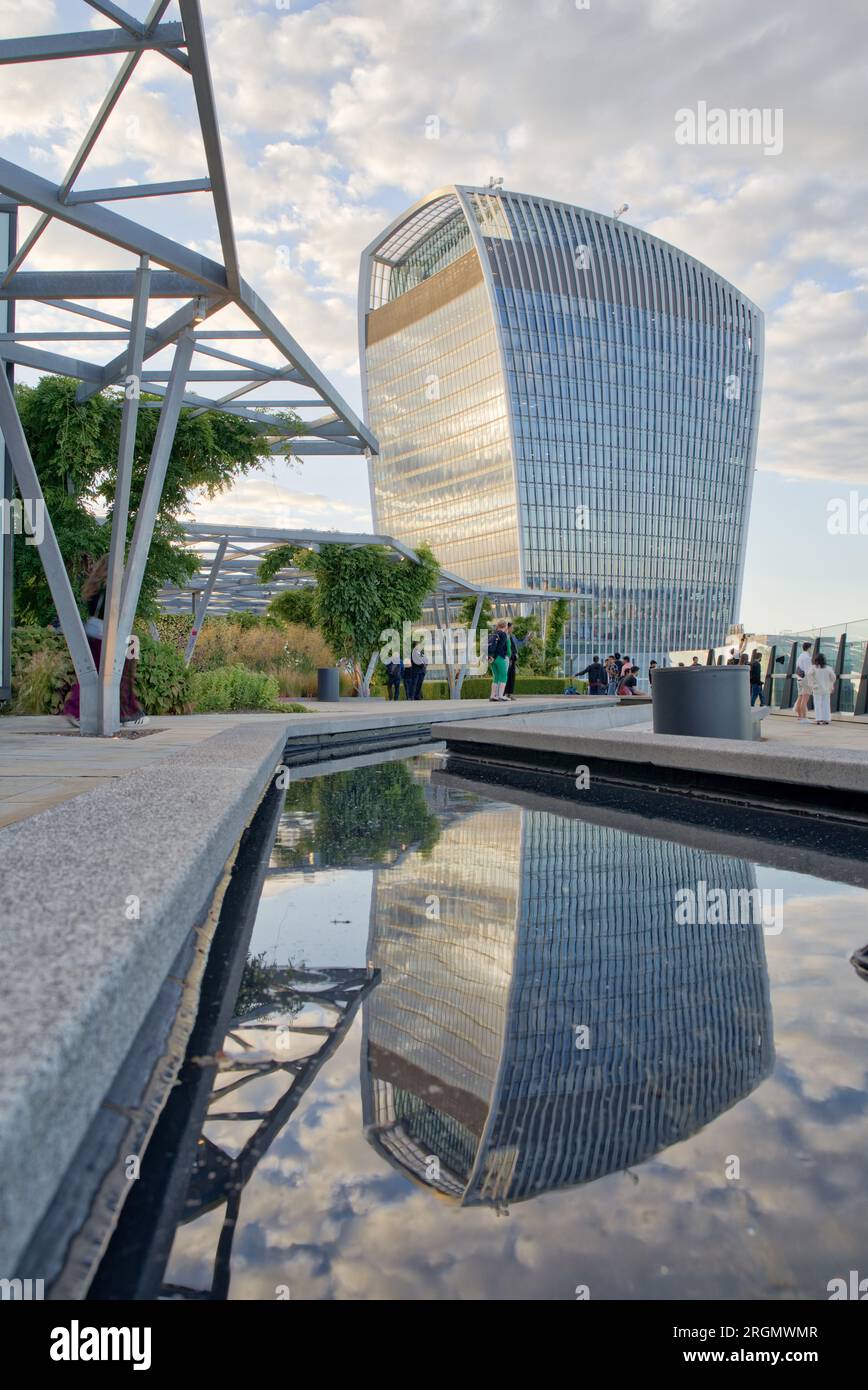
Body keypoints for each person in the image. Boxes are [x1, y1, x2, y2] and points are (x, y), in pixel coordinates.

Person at [62, 553, 147, 728]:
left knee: (89, 676)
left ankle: (75, 710)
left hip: (91, 634)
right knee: (120, 675)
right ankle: (127, 713)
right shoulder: (112, 590)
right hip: (107, 638)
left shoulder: (93, 588)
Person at [805, 652, 835, 725]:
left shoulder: (813, 668)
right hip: (826, 689)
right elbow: (833, 678)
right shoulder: (828, 668)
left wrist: (812, 685)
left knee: (817, 704)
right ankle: (826, 719)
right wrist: (830, 684)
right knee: (826, 704)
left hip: (817, 689)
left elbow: (808, 675)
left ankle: (819, 719)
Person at [488, 620, 510, 702]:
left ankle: (492, 695)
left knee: (496, 677)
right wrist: (496, 656)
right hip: (499, 657)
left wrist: (491, 657)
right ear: (505, 626)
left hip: (491, 658)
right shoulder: (503, 634)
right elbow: (500, 647)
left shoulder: (493, 633)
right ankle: (500, 695)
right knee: (504, 676)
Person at [793, 642, 814, 722]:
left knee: (800, 697)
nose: (811, 650)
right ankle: (804, 718)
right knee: (805, 699)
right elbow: (808, 671)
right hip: (805, 679)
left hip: (799, 678)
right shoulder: (807, 658)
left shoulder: (800, 656)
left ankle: (800, 716)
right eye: (811, 648)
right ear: (808, 648)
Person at [503, 622, 520, 700]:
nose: (512, 629)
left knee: (512, 677)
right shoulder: (505, 636)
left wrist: (527, 638)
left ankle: (510, 694)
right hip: (507, 659)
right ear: (508, 628)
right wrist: (508, 658)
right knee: (506, 676)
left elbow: (517, 645)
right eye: (511, 628)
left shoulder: (512, 636)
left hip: (513, 659)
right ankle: (503, 694)